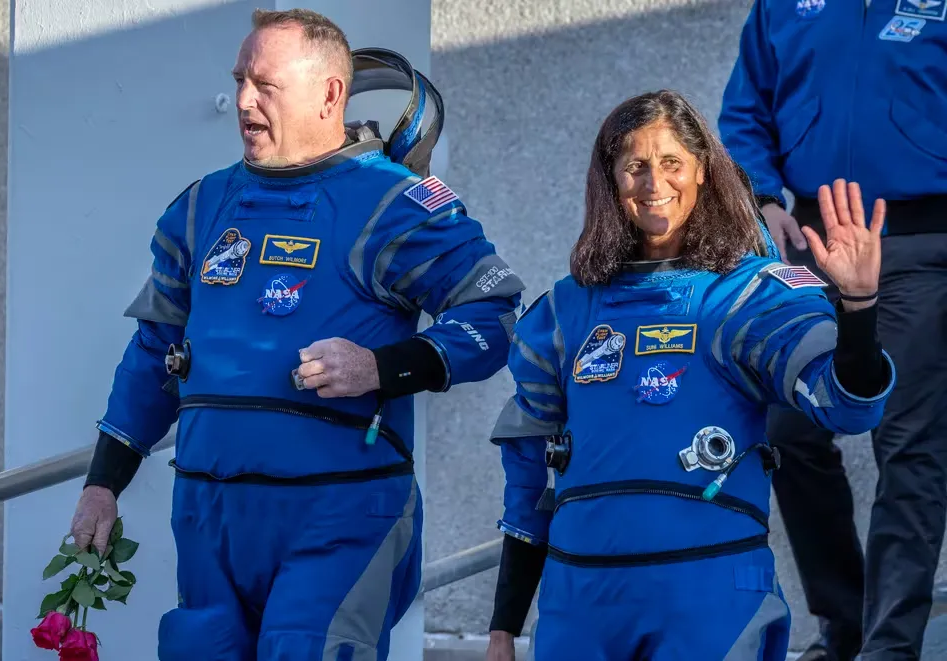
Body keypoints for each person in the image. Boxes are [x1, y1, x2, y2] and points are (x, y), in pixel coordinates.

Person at [65, 9, 526, 660]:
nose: (244, 101)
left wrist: (382, 365)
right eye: (240, 81)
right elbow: (154, 351)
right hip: (209, 519)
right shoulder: (201, 207)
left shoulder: (393, 202)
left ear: (331, 93)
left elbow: (496, 308)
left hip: (338, 517)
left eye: (265, 85)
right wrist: (101, 482)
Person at [483, 89, 896, 661]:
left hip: (710, 597)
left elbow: (848, 406)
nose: (654, 183)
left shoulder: (749, 296)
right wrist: (503, 628)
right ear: (611, 181)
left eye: (672, 162)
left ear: (703, 171)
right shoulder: (563, 312)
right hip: (580, 605)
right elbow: (529, 482)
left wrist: (858, 306)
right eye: (636, 166)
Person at [718, 2, 947, 658]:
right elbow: (746, 110)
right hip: (810, 244)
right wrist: (760, 196)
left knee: (908, 447)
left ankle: (890, 647)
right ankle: (844, 626)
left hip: (922, 242)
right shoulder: (783, 6)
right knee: (790, 432)